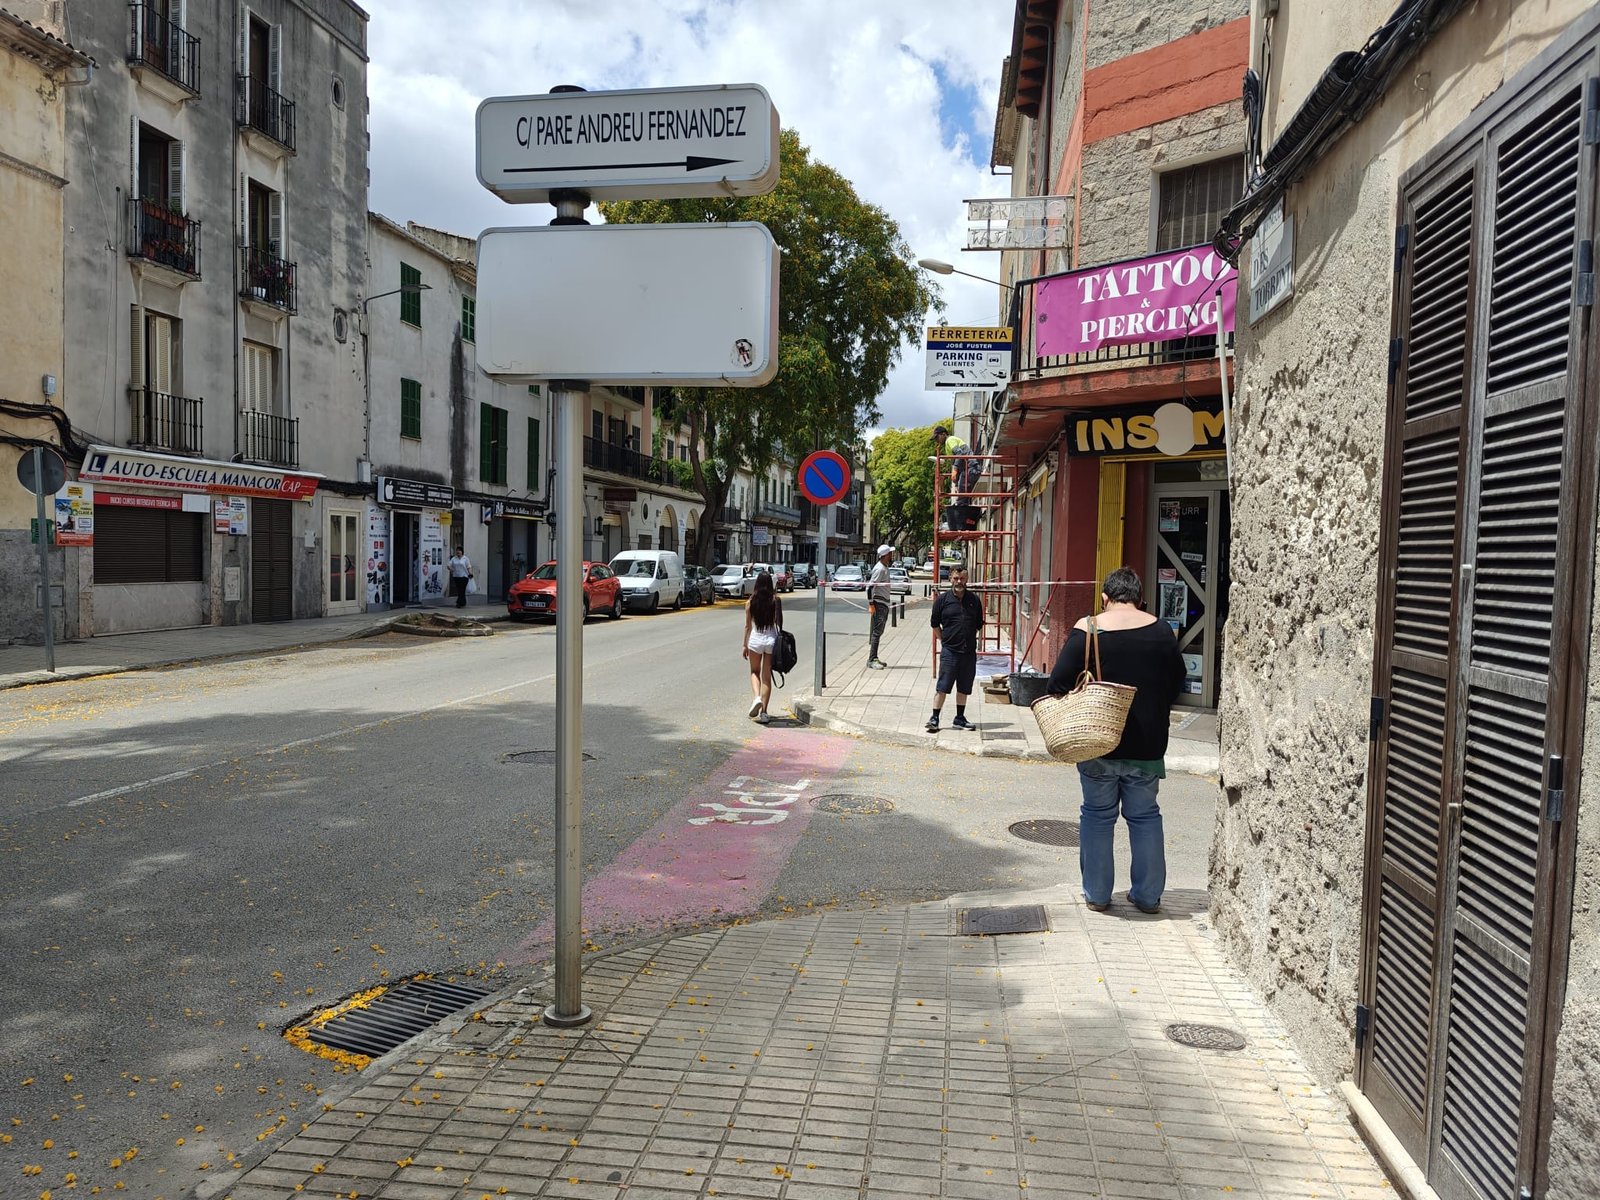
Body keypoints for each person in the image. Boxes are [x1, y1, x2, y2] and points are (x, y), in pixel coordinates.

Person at [1045, 566, 1184, 914]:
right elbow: (1177, 684)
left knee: (1097, 816)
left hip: (1098, 743)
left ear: (1105, 598)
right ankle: (1148, 897)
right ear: (1140, 599)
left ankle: (1097, 895)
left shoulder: (1089, 628)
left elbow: (1057, 682)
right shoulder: (1162, 630)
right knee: (1145, 816)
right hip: (1148, 745)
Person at [927, 564, 983, 732]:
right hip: (950, 651)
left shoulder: (974, 600)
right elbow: (934, 624)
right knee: (943, 686)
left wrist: (969, 638)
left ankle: (959, 718)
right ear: (950, 578)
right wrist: (944, 640)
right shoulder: (942, 600)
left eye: (962, 578)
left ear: (967, 579)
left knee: (964, 687)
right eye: (956, 578)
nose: (959, 581)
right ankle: (935, 718)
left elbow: (978, 624)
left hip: (968, 652)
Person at [742, 571, 784, 723]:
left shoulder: (750, 602)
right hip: (771, 640)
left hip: (755, 639)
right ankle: (764, 713)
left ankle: (756, 698)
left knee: (754, 671)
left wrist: (744, 645)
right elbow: (779, 623)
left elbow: (747, 626)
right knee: (766, 677)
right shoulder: (775, 601)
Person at [933, 425, 983, 497]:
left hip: (971, 468)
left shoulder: (950, 440)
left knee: (962, 497)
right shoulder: (948, 444)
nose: (937, 441)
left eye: (937, 437)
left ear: (943, 434)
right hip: (969, 469)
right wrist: (956, 484)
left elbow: (959, 453)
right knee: (964, 496)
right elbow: (958, 462)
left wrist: (955, 469)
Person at [866, 544, 894, 669]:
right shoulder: (880, 569)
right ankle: (872, 659)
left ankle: (874, 657)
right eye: (890, 553)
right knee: (877, 632)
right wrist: (871, 603)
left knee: (879, 631)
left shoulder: (884, 567)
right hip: (879, 603)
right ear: (885, 555)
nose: (891, 555)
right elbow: (870, 587)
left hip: (883, 603)